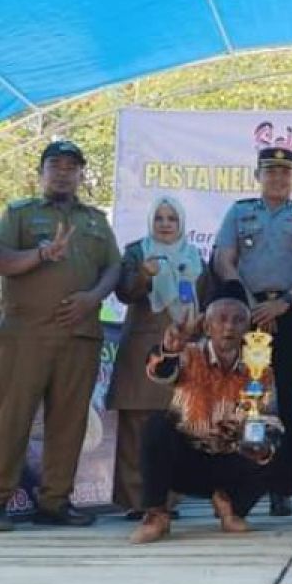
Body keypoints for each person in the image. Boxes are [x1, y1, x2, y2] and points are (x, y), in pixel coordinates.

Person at [0, 140, 122, 532]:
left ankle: (55, 501)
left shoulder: (94, 220)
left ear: (80, 175)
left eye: (71, 167)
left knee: (70, 422)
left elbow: (113, 268)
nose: (63, 172)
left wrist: (92, 298)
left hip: (80, 333)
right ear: (42, 173)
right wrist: (39, 255)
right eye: (55, 165)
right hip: (26, 334)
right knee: (11, 418)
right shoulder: (21, 213)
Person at [214, 146, 292, 516]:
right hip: (245, 313)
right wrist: (249, 305)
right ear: (258, 176)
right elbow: (223, 259)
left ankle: (284, 485)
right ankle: (245, 482)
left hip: (290, 312)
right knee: (248, 399)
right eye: (270, 172)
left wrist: (284, 302)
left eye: (284, 173)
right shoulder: (239, 211)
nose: (277, 179)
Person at [130, 286, 281, 543]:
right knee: (157, 426)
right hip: (188, 460)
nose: (229, 327)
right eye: (221, 319)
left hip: (232, 458)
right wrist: (168, 349)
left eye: (237, 320)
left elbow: (270, 417)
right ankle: (156, 514)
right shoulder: (188, 355)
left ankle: (232, 507)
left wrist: (248, 432)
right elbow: (159, 373)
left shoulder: (260, 368)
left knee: (277, 444)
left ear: (248, 328)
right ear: (207, 326)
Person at [109, 194, 206, 517]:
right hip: (143, 349)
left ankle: (167, 501)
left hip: (184, 350)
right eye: (160, 219)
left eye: (172, 219)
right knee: (137, 424)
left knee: (175, 424)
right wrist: (143, 274)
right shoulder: (137, 252)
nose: (165, 225)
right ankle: (137, 502)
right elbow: (124, 291)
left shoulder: (194, 258)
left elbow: (203, 302)